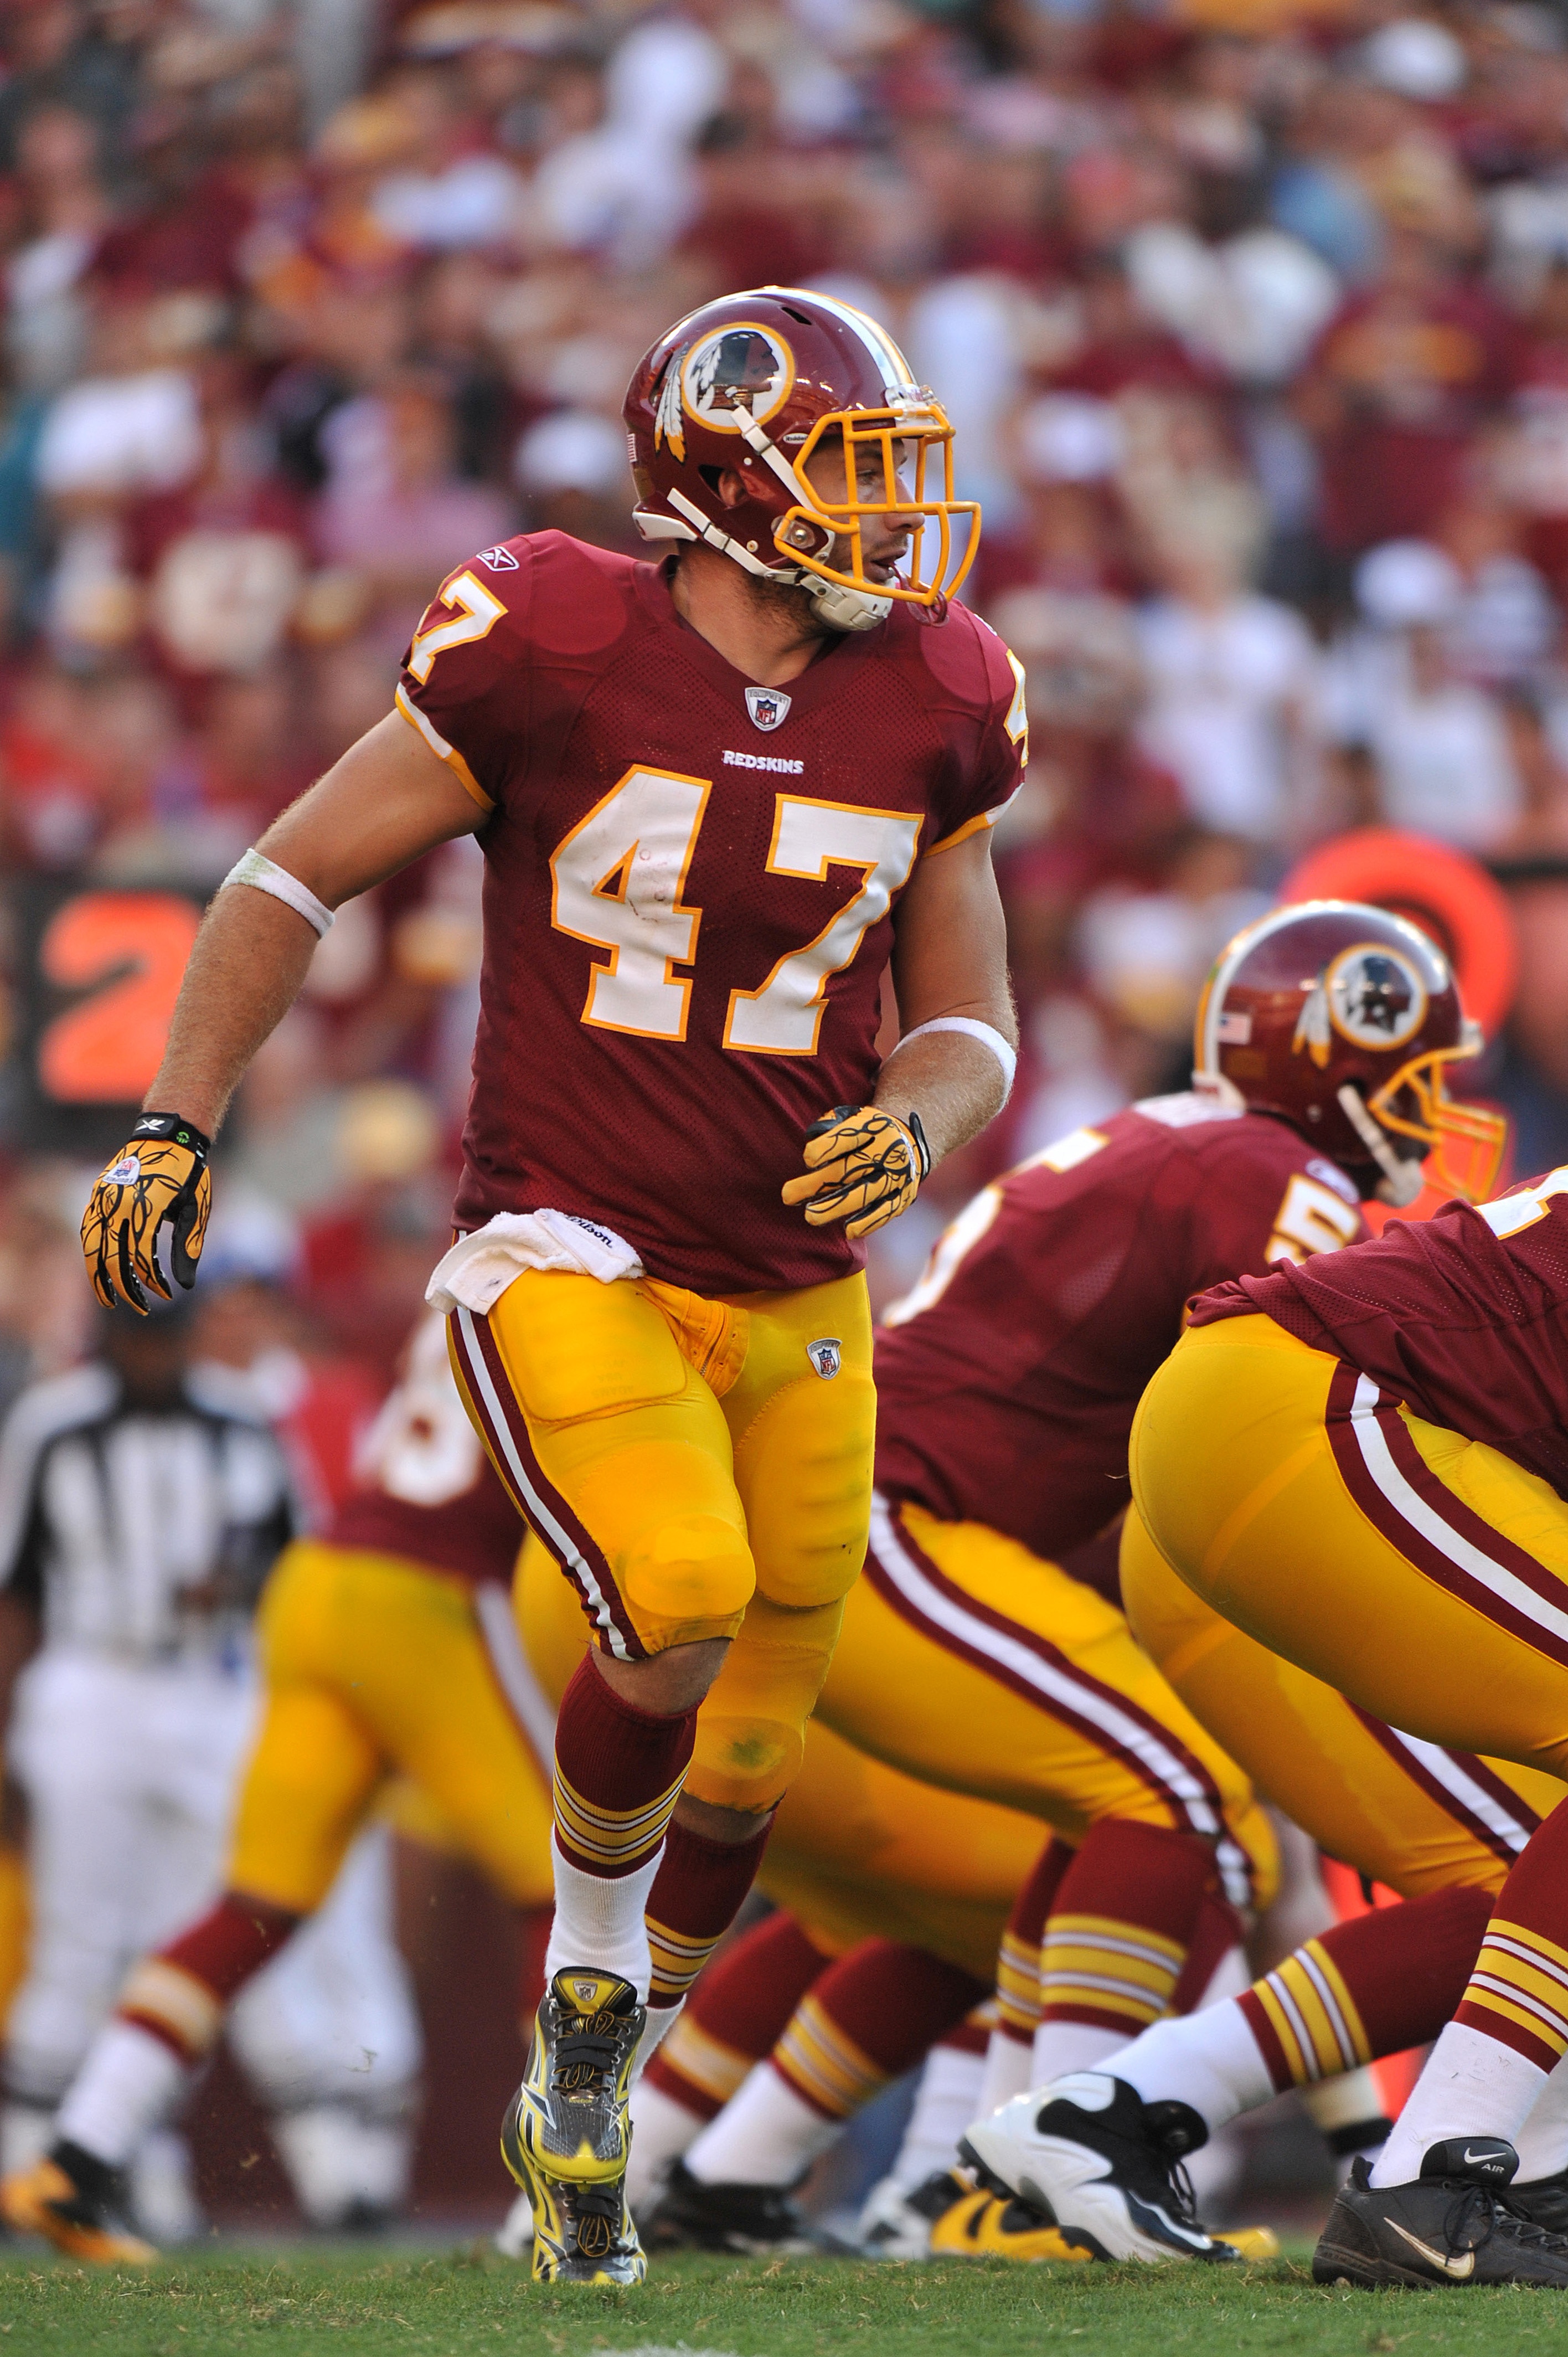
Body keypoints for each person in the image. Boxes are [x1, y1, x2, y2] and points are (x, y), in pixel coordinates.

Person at [69, 286, 1023, 2283]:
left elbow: (974, 1017)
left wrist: (924, 1123)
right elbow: (288, 871)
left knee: (755, 1755)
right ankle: (586, 2009)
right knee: (666, 1599)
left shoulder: (938, 690)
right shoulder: (551, 635)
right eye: (849, 470)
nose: (890, 515)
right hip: (565, 1238)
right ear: (721, 471)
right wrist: (175, 1116)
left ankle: (602, 2079)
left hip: (801, 1278)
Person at [972, 1039, 1568, 2286]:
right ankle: (1435, 2176)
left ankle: (1128, 2105)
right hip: (1309, 1422)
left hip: (1242, 1462)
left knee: (1525, 1883)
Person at [2, 1308, 555, 2264]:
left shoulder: (467, 1304)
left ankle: (76, 2161)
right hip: (420, 1601)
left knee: (255, 1905)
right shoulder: (597, 1297)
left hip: (308, 1603)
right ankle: (595, 2176)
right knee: (569, 1882)